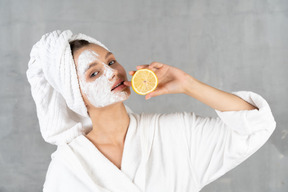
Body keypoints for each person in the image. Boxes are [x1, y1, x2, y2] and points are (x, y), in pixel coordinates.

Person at [26, 30, 276, 192]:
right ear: (74, 96)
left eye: (111, 61)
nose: (113, 72)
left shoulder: (176, 133)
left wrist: (189, 84)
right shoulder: (69, 165)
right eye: (94, 73)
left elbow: (255, 126)